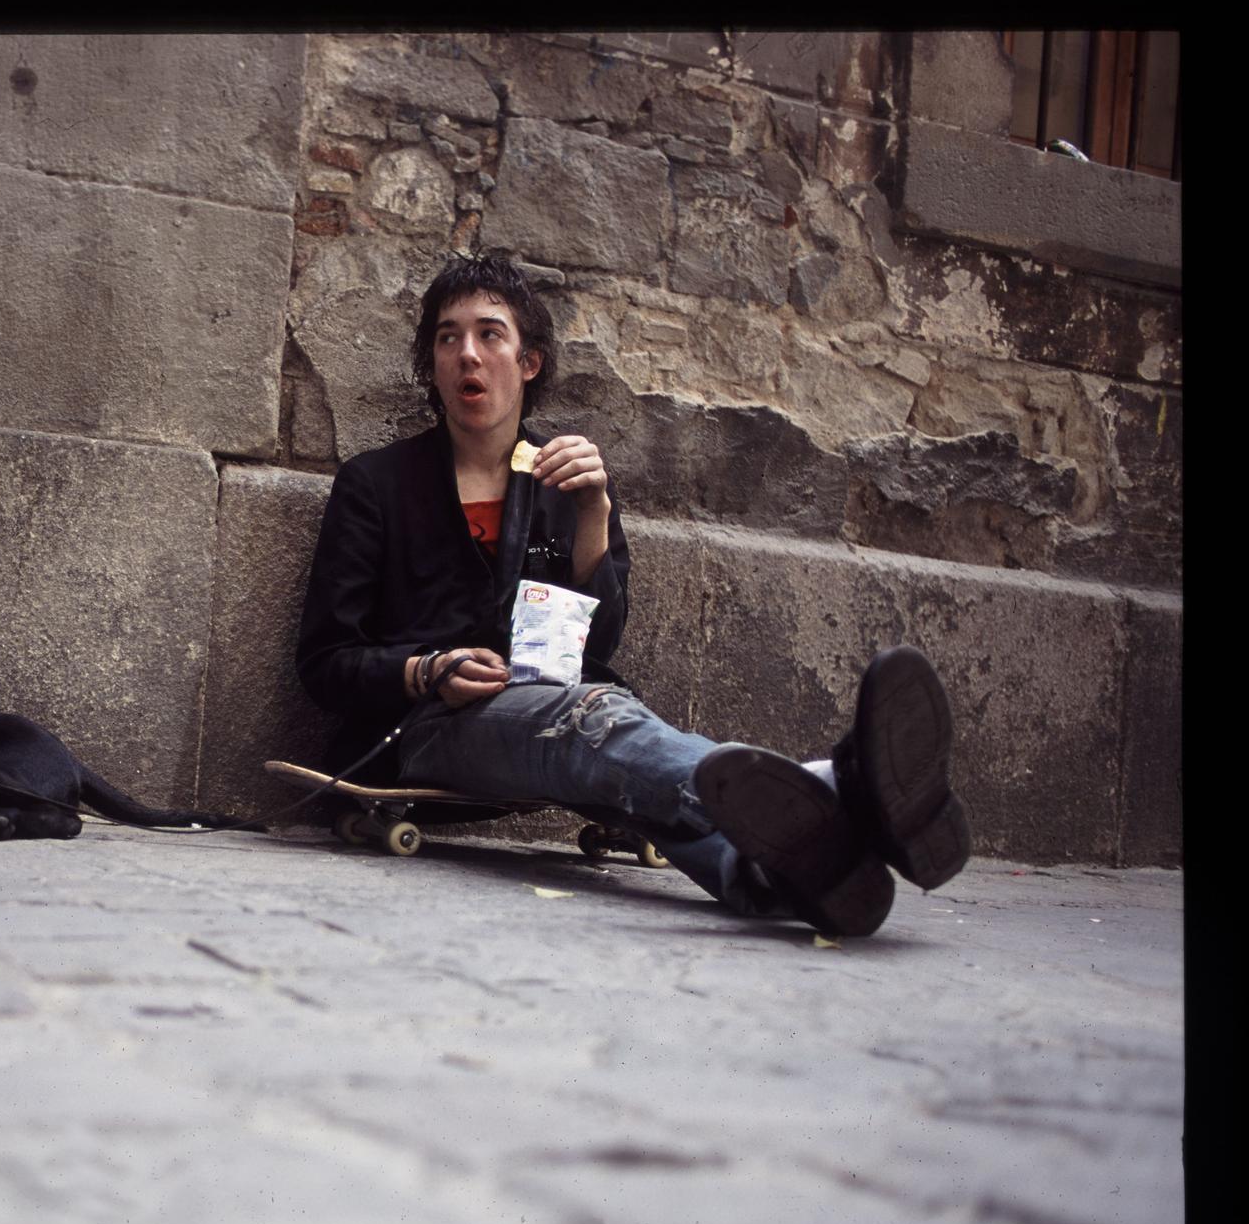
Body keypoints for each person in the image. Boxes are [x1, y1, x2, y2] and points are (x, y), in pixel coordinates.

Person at [295, 255, 970, 936]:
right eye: (448, 337)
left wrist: (594, 513)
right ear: (433, 363)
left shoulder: (567, 481)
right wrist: (425, 670)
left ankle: (782, 877)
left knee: (602, 736)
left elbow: (602, 643)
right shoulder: (376, 484)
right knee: (595, 720)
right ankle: (839, 786)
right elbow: (325, 662)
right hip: (426, 731)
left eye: (489, 334)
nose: (467, 353)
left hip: (562, 716)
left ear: (528, 361)